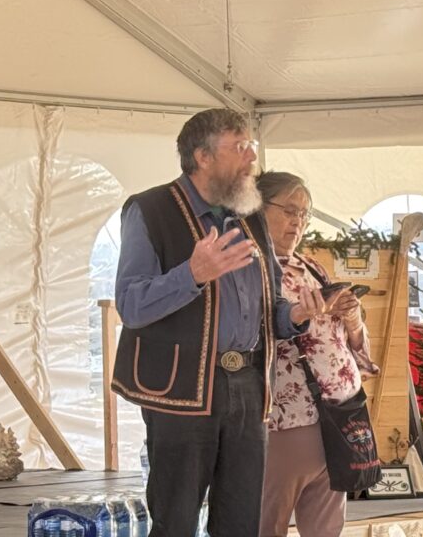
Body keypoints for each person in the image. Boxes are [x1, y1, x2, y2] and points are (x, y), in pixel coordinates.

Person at [112, 109, 337, 537]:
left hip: (249, 387)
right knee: (176, 520)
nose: (252, 157)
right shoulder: (150, 210)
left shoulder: (250, 216)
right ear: (203, 157)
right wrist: (192, 273)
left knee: (241, 522)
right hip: (181, 390)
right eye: (239, 147)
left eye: (250, 146)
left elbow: (268, 305)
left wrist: (297, 315)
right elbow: (131, 304)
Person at [256, 171, 378, 537]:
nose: (298, 222)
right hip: (288, 420)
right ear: (257, 210)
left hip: (341, 414)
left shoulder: (313, 268)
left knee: (327, 528)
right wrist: (298, 315)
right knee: (267, 523)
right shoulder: (252, 271)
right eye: (289, 211)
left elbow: (350, 345)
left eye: (305, 214)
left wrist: (354, 320)